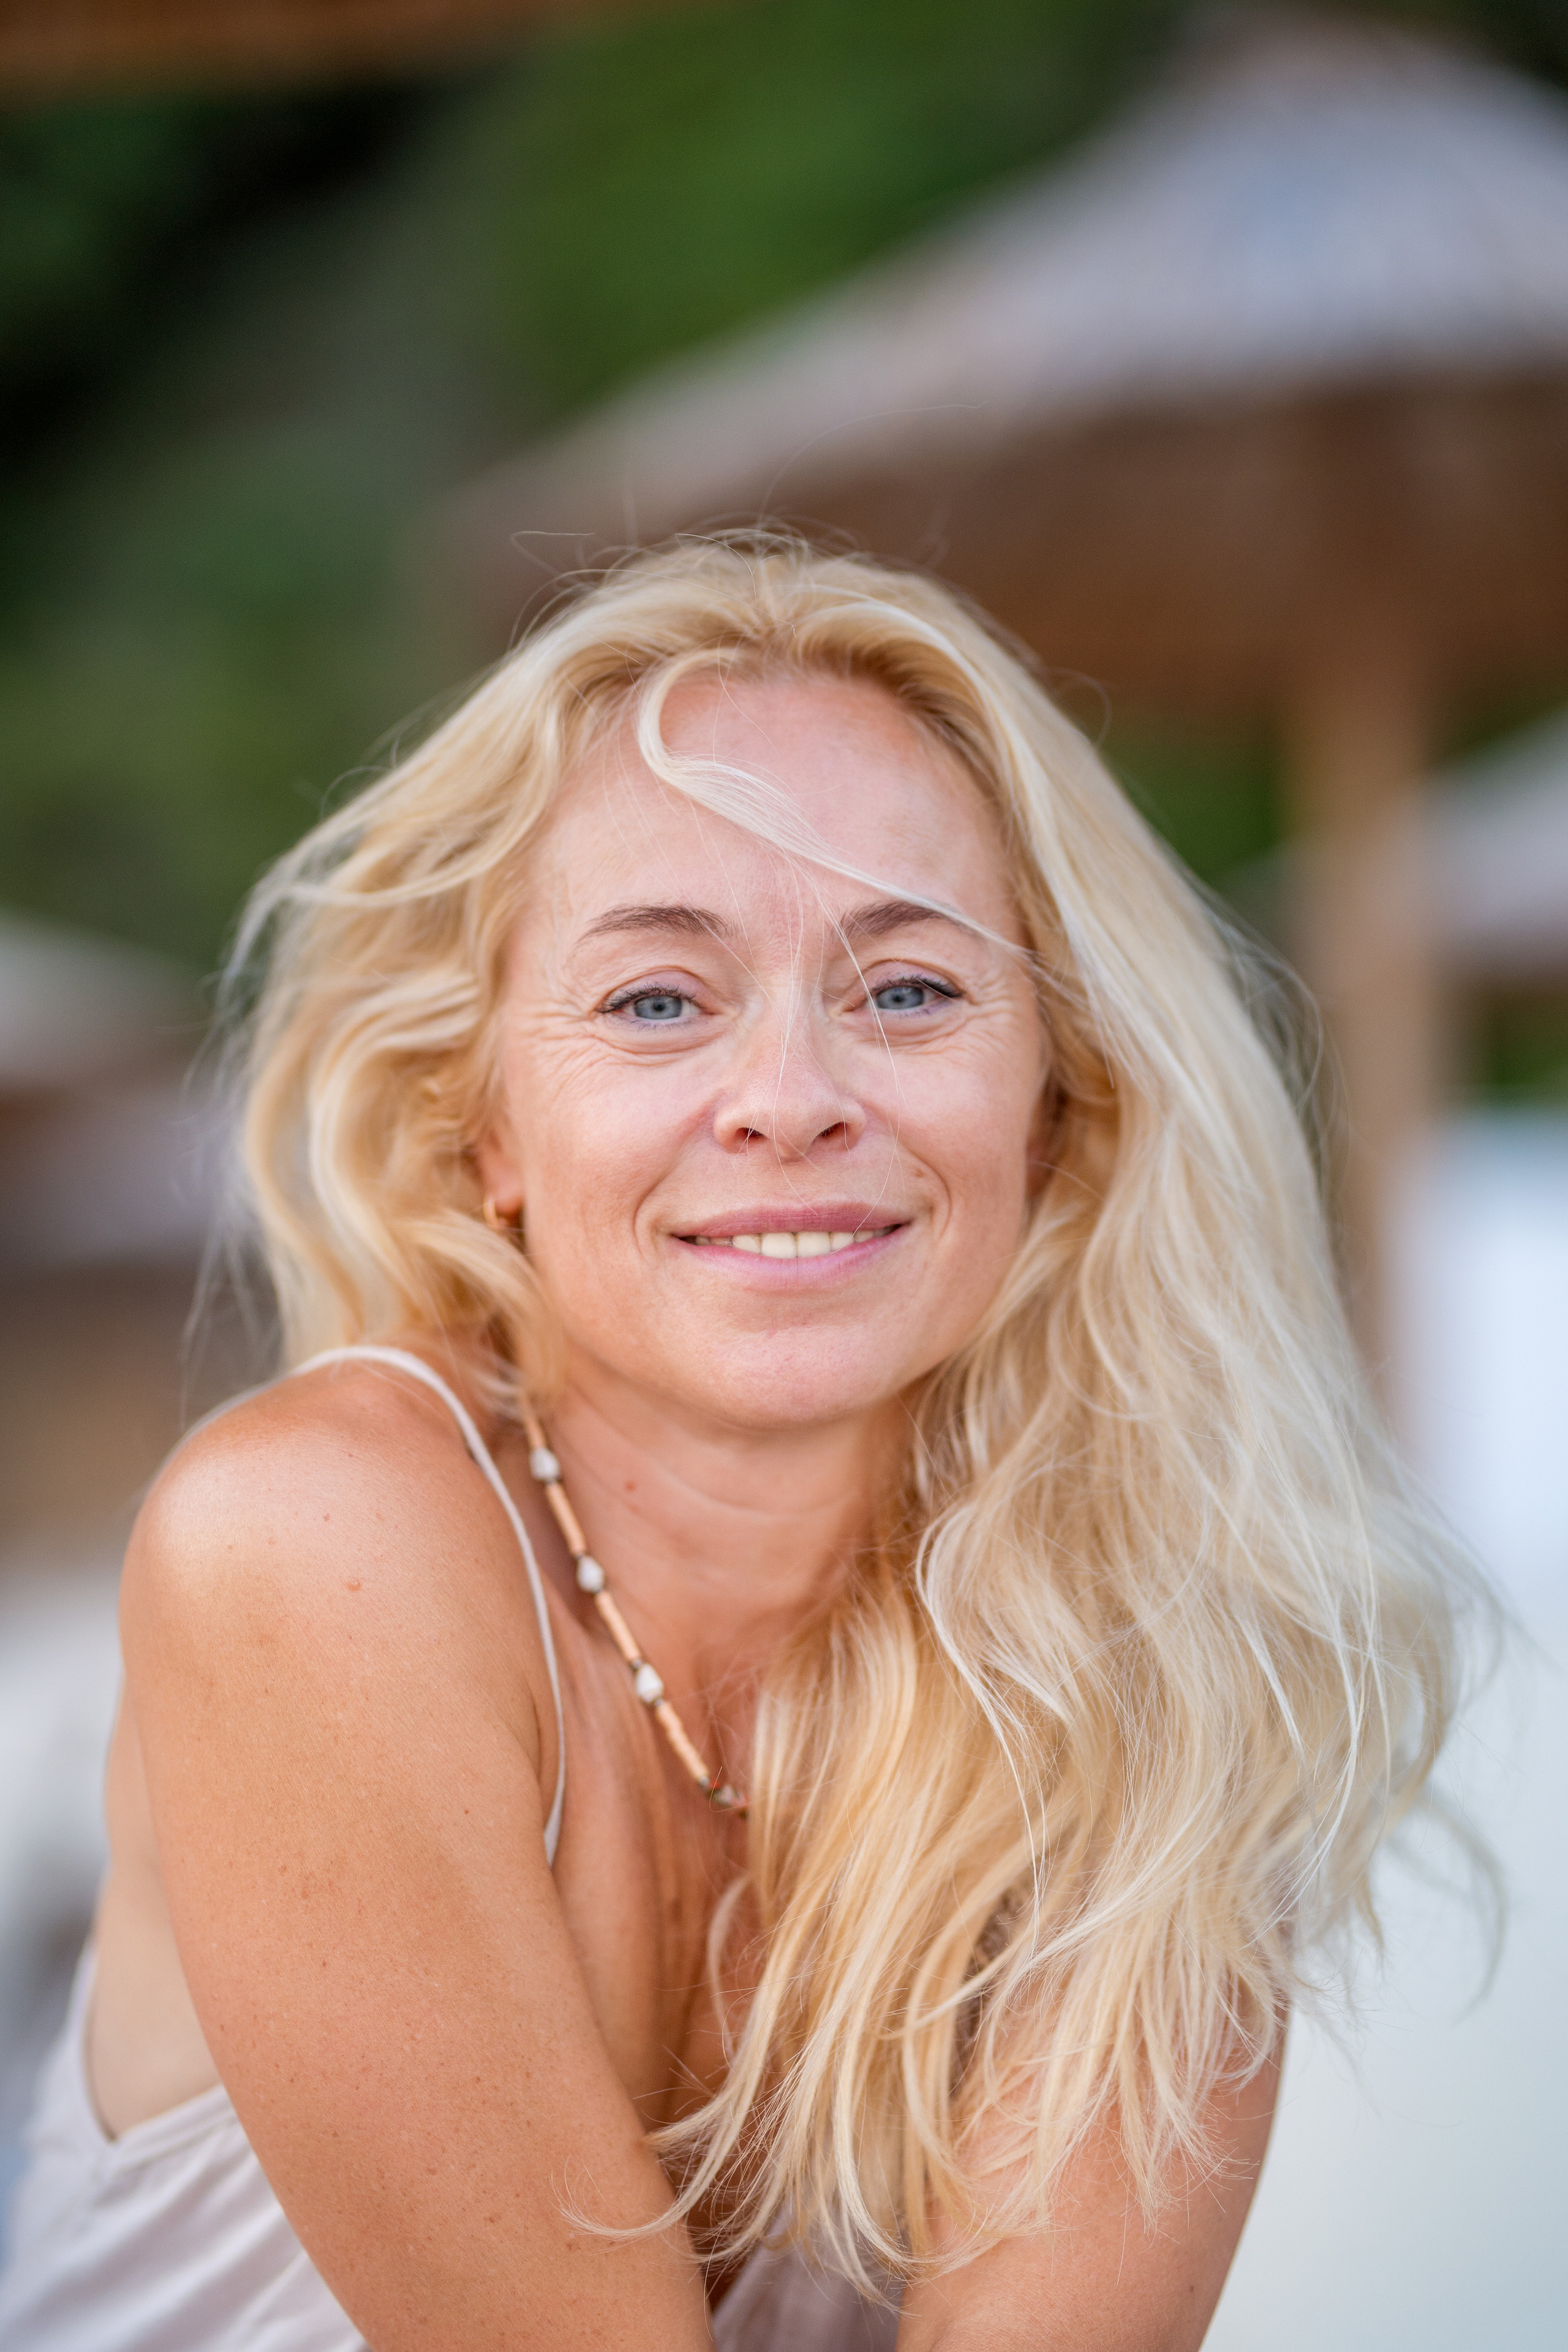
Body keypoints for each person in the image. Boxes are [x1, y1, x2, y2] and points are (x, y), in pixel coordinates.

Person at [0, 537, 1471, 2350]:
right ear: (488, 1135)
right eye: (656, 1001)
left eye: (911, 991)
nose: (790, 1100)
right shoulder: (319, 1543)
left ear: (1062, 1106)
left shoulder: (1146, 1636)